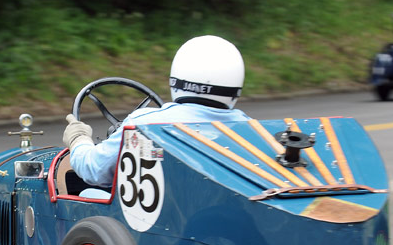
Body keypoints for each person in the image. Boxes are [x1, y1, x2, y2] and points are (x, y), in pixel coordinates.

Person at [62, 35, 251, 189]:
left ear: (176, 79)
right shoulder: (250, 128)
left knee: (87, 192)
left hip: (150, 226)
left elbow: (93, 170)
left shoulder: (144, 123)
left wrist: (78, 139)